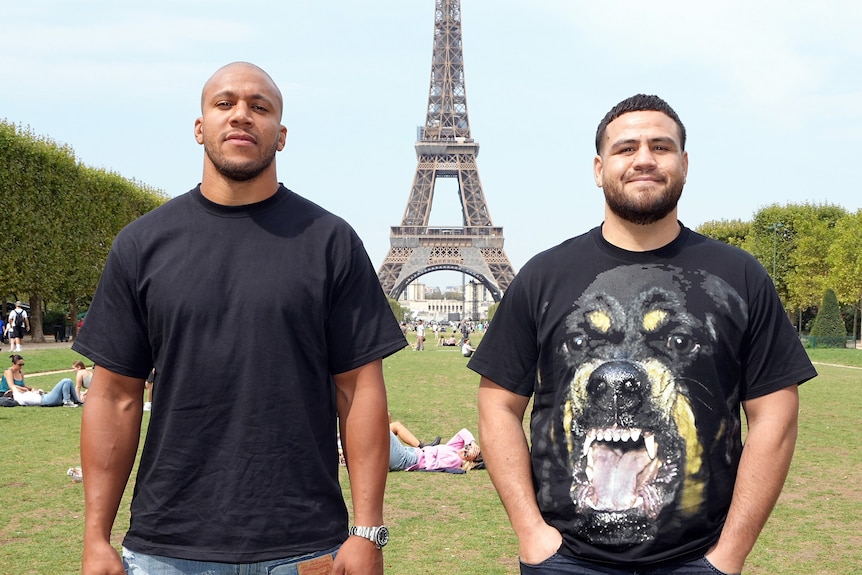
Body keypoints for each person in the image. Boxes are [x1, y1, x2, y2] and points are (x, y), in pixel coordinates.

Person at [73, 62, 407, 575]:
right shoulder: (140, 245)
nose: (242, 116)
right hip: (168, 547)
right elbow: (114, 395)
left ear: (282, 134)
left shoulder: (332, 243)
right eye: (224, 103)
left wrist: (367, 530)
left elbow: (359, 388)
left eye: (260, 106)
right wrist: (95, 537)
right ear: (200, 126)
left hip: (305, 545)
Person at [469, 94, 817, 575]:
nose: (644, 159)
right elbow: (498, 403)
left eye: (661, 146)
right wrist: (532, 534)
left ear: (684, 163)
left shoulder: (739, 278)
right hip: (564, 561)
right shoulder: (541, 277)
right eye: (626, 148)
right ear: (598, 167)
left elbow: (775, 414)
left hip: (698, 561)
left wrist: (727, 555)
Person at [389, 428, 482, 473]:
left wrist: (429, 449)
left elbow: (432, 466)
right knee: (389, 423)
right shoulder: (454, 449)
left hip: (408, 460)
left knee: (388, 426)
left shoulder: (456, 460)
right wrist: (472, 443)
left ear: (468, 461)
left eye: (466, 454)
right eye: (467, 447)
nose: (464, 450)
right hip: (409, 452)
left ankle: (422, 445)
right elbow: (463, 432)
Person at [1, 354, 82, 406]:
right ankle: (72, 401)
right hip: (7, 392)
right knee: (66, 381)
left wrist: (31, 389)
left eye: (23, 364)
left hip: (35, 395)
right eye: (19, 365)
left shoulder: (20, 372)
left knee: (67, 381)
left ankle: (75, 401)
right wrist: (25, 390)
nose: (21, 366)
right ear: (13, 364)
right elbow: (12, 386)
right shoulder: (9, 372)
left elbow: (23, 385)